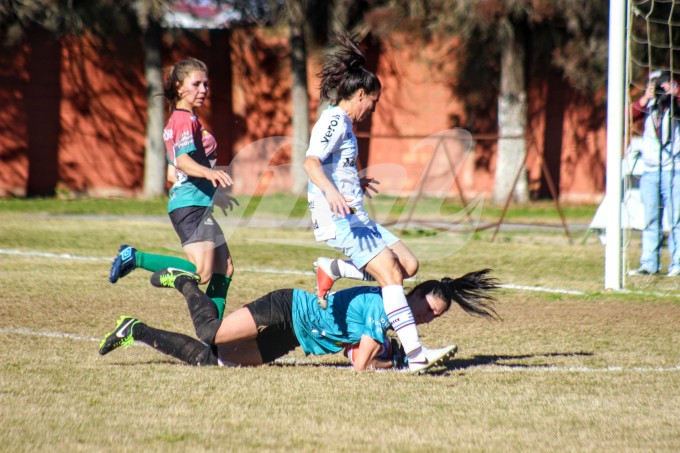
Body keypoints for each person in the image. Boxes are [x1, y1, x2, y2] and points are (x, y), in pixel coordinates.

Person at [302, 33, 454, 372]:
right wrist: (331, 192)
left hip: (357, 215)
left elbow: (335, 164)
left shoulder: (344, 124)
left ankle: (334, 268)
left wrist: (355, 181)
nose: (373, 108)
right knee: (390, 276)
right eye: (373, 101)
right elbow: (311, 162)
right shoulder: (332, 120)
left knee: (408, 265)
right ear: (360, 94)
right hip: (340, 217)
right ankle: (415, 356)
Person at [99, 267, 500, 372]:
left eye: (434, 317)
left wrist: (384, 356)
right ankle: (185, 282)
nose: (426, 318)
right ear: (410, 294)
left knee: (212, 360)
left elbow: (350, 353)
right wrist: (393, 361)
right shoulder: (385, 309)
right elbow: (360, 364)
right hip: (288, 308)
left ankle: (134, 330)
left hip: (296, 339)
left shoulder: (390, 322)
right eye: (426, 308)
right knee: (209, 331)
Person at [108, 57, 235, 318]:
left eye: (206, 85)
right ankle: (135, 257)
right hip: (191, 208)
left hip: (195, 204)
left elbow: (171, 173)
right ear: (179, 87)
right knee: (201, 272)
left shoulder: (180, 121)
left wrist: (209, 188)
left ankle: (213, 333)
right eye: (196, 84)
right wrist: (209, 174)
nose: (203, 90)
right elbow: (184, 162)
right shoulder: (183, 120)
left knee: (225, 268)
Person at [631, 70, 680, 276]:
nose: (658, 88)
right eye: (654, 84)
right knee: (651, 219)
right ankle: (649, 264)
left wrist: (674, 93)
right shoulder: (648, 105)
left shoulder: (675, 104)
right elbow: (629, 115)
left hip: (674, 169)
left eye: (661, 84)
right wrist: (644, 99)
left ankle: (677, 264)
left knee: (676, 219)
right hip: (650, 171)